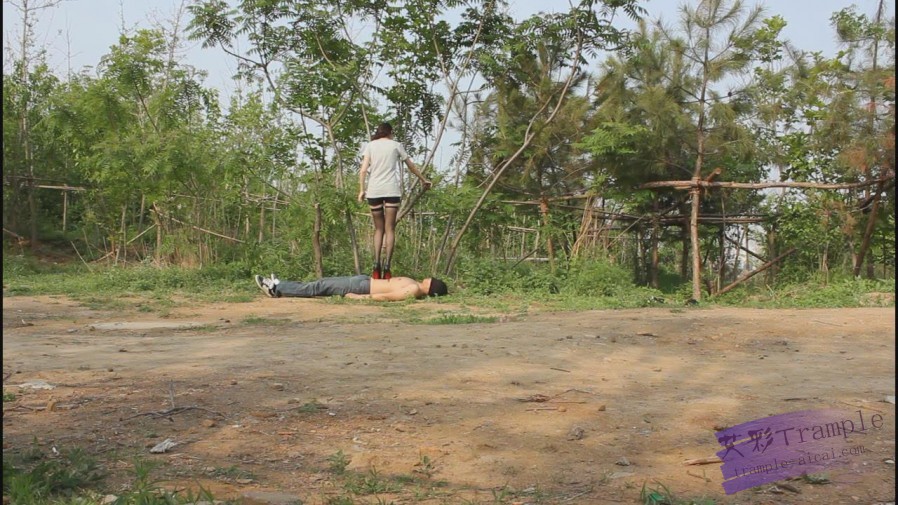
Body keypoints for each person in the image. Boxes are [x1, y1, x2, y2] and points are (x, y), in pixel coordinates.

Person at [357, 122, 432, 280]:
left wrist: (362, 190)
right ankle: (387, 267)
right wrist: (423, 179)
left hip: (374, 190)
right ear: (390, 132)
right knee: (390, 228)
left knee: (379, 229)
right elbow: (411, 166)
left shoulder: (370, 146)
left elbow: (363, 170)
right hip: (391, 190)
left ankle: (376, 265)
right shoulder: (396, 145)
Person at [254, 273, 448, 301]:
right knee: (321, 283)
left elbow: (387, 296)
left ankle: (276, 289)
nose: (429, 277)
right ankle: (282, 285)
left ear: (431, 285)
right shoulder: (414, 285)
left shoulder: (414, 290)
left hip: (363, 288)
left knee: (319, 286)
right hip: (363, 281)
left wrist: (359, 297)